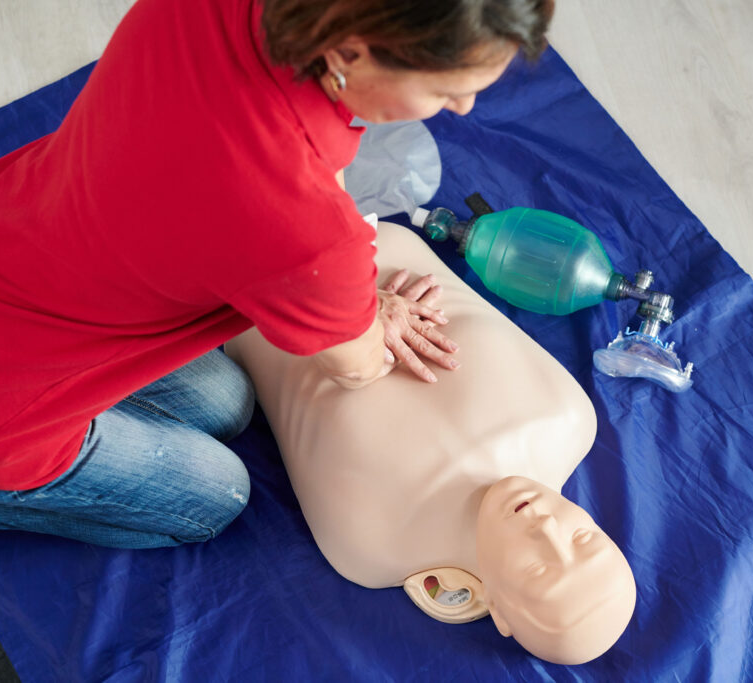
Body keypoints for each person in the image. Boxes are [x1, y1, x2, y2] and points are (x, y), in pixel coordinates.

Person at [0, 0, 555, 549]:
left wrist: (343, 282)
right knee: (216, 497)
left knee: (228, 400)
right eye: (449, 88)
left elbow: (308, 178)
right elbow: (355, 366)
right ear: (351, 51)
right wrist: (362, 309)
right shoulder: (298, 220)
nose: (465, 106)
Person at [225, 223, 636, 665]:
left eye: (537, 569)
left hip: (244, 292)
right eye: (582, 537)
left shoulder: (373, 546)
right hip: (350, 230)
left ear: (494, 609)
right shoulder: (570, 415)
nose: (546, 527)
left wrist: (353, 313)